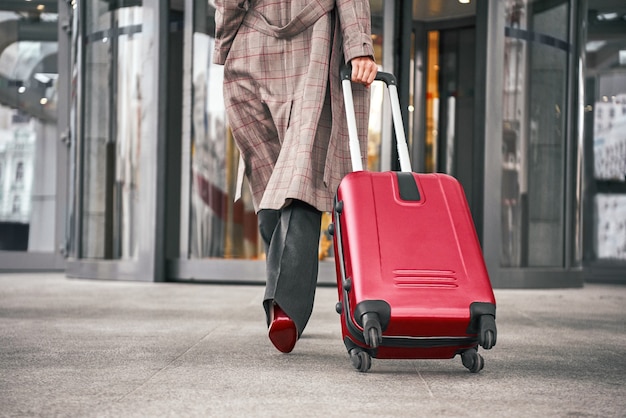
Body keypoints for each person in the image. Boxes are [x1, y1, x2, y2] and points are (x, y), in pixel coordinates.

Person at [213, 0, 377, 353]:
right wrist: (359, 45)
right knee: (300, 173)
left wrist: (225, 44)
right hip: (313, 44)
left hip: (251, 44)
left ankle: (284, 301)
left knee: (281, 175)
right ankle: (285, 297)